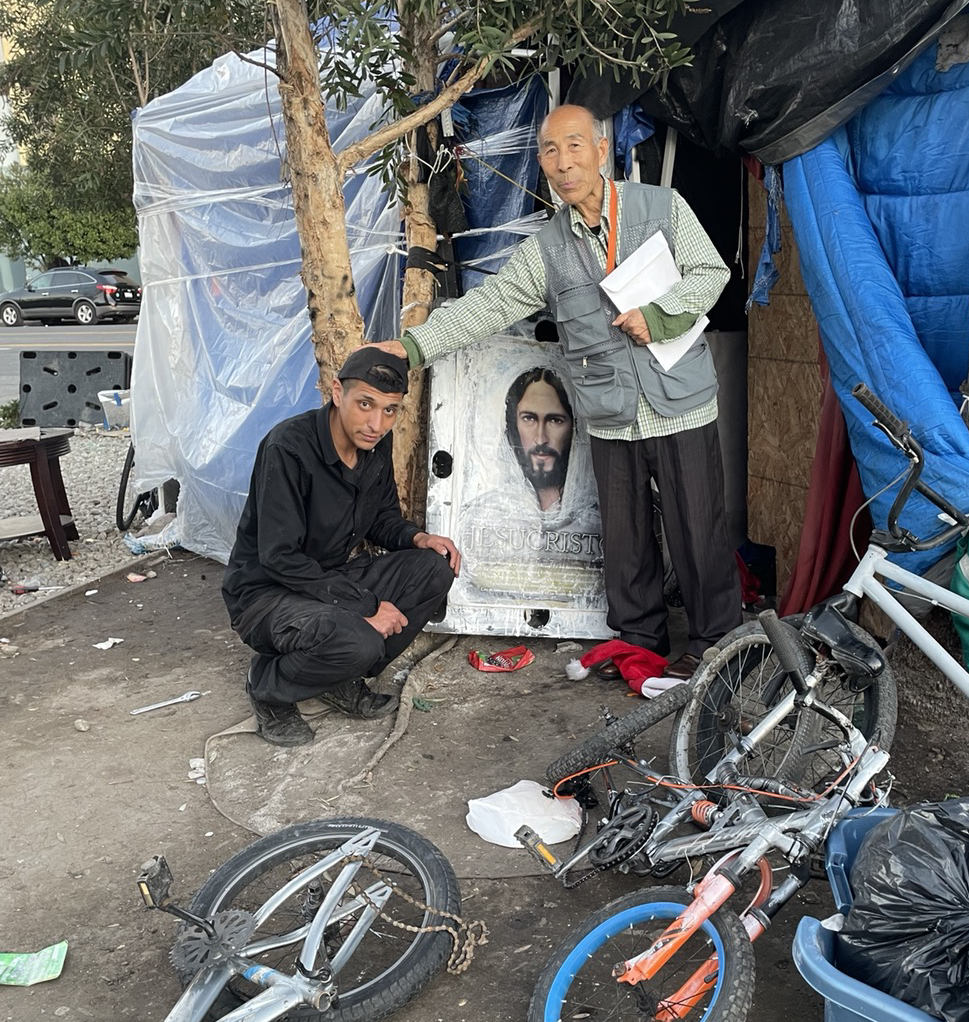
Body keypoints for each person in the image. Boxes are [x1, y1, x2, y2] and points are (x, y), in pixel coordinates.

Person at [375, 104, 742, 679]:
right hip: (610, 411)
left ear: (601, 150)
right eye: (550, 150)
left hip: (678, 402)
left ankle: (717, 646)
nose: (564, 162)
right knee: (625, 540)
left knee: (699, 529)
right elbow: (489, 306)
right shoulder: (546, 249)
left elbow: (710, 273)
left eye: (574, 146)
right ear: (542, 163)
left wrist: (659, 314)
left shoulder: (661, 208)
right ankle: (640, 642)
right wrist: (412, 347)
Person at [221, 347, 461, 746]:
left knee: (434, 568)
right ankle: (269, 689)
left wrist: (417, 538)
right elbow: (279, 558)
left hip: (327, 581)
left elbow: (381, 517)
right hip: (266, 595)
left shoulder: (374, 444)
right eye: (365, 404)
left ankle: (338, 676)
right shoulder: (288, 447)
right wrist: (366, 606)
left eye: (389, 410)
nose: (376, 423)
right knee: (360, 639)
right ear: (337, 392)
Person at [506, 366, 574, 513]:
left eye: (555, 420)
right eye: (529, 418)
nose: (541, 439)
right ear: (514, 424)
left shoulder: (593, 510)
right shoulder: (489, 509)